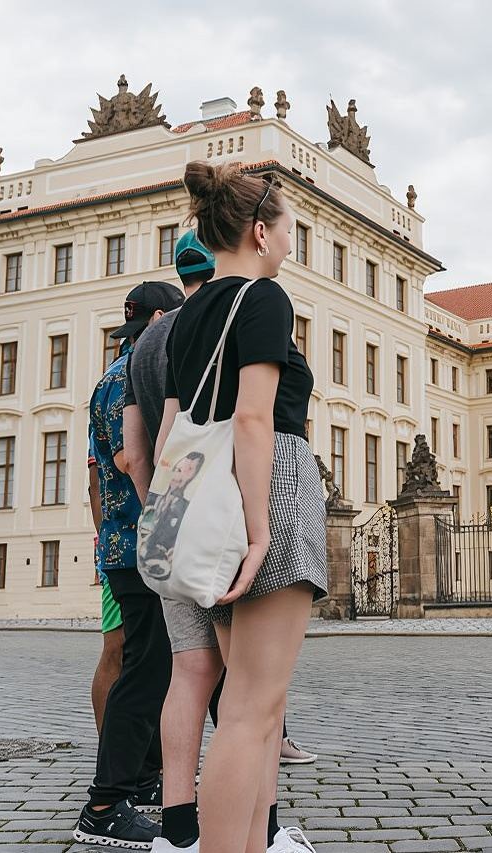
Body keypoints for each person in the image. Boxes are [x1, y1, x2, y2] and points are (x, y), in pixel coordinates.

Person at [128, 234, 315, 853]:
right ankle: (250, 834)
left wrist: (160, 513)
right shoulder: (255, 302)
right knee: (251, 704)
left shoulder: (157, 336)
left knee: (193, 674)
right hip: (245, 496)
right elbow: (254, 418)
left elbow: (144, 452)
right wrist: (257, 525)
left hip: (180, 511)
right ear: (255, 235)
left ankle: (181, 825)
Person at [74, 282, 184, 849]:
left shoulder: (107, 377)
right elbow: (125, 457)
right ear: (162, 320)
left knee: (149, 666)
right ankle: (104, 804)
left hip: (122, 543)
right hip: (144, 540)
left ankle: (139, 782)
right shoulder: (133, 378)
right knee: (144, 673)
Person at [89, 456, 123, 737]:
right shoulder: (105, 411)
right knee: (115, 647)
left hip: (134, 545)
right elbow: (95, 488)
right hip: (120, 550)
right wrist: (106, 542)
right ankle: (108, 747)